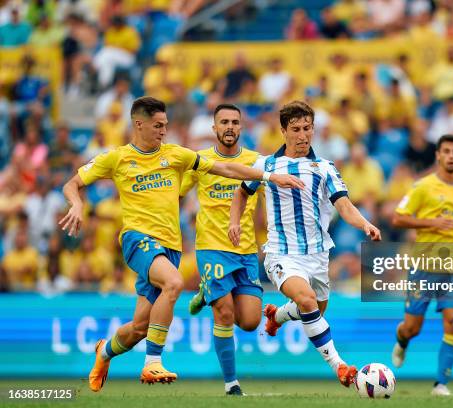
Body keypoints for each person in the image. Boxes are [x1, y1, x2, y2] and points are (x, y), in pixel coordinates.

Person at [59, 96, 303, 392]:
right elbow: (72, 184)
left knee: (139, 328)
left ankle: (105, 351)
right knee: (174, 283)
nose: (163, 131)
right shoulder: (117, 158)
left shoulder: (177, 155)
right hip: (138, 240)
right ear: (139, 124)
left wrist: (268, 176)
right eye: (158, 126)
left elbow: (226, 169)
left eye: (165, 125)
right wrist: (76, 205)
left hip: (170, 248)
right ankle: (152, 363)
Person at [229, 101, 381, 388]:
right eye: (296, 129)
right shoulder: (266, 165)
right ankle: (340, 366)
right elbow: (241, 192)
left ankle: (278, 314)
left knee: (315, 310)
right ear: (283, 130)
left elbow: (344, 205)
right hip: (281, 253)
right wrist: (234, 221)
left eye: (307, 129)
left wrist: (365, 224)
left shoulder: (324, 168)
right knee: (308, 300)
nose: (303, 135)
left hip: (318, 254)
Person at [390, 134, 453, 396]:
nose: (452, 156)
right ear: (438, 155)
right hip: (423, 267)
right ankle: (401, 340)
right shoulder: (422, 187)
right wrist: (431, 223)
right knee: (412, 328)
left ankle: (440, 384)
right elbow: (398, 218)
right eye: (447, 151)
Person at [180, 104, 262, 396]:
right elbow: (176, 190)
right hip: (211, 247)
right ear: (214, 128)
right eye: (224, 122)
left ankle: (205, 292)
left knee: (251, 322)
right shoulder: (200, 161)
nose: (229, 127)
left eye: (235, 122)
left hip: (246, 250)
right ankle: (231, 384)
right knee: (224, 313)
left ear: (242, 128)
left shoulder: (256, 161)